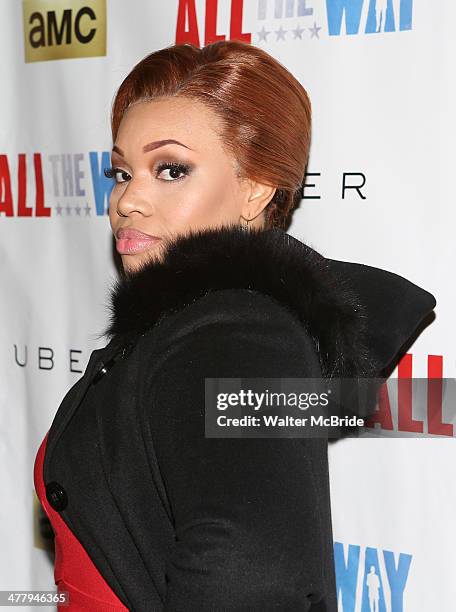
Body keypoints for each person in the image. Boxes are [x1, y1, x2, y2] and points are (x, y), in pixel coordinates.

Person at [34, 40, 436, 611]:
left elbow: (250, 576)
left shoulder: (237, 335)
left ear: (255, 189)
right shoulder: (189, 327)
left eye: (171, 169)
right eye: (122, 172)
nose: (128, 200)